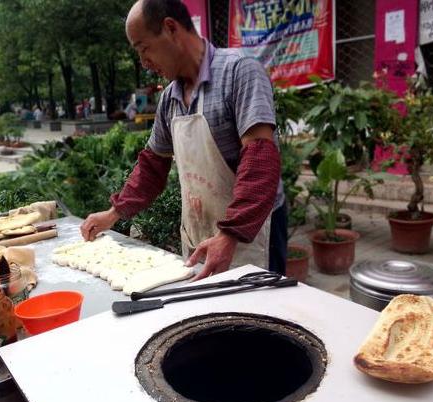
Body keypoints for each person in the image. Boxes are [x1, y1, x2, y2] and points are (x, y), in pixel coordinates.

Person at [81, 0, 286, 280]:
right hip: (199, 232)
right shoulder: (170, 99)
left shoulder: (240, 72)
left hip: (253, 231)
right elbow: (153, 165)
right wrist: (113, 214)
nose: (144, 63)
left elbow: (260, 158)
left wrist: (229, 234)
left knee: (255, 317)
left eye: (144, 49)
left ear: (170, 28)